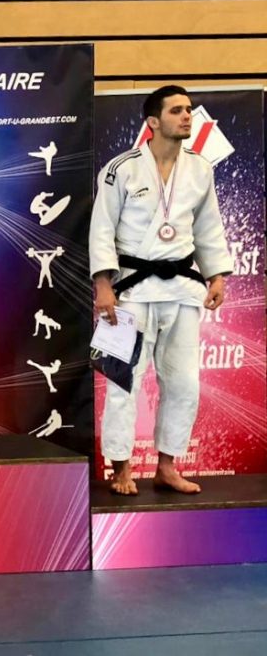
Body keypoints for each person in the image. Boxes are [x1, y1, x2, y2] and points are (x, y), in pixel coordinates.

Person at [90, 85, 231, 496]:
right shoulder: (121, 169)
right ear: (153, 121)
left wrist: (216, 275)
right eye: (176, 110)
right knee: (123, 384)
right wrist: (103, 285)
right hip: (130, 291)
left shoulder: (200, 169)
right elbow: (102, 228)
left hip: (182, 290)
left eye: (188, 109)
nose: (187, 116)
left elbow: (208, 225)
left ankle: (167, 467)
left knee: (184, 383)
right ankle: (121, 469)